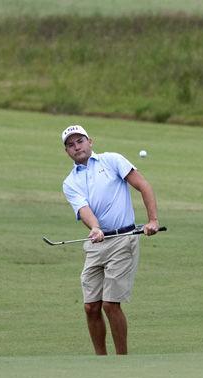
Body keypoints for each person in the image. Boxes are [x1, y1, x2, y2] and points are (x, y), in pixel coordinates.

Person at [61, 124, 160, 355]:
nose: (77, 147)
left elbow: (143, 186)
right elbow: (84, 209)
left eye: (80, 141)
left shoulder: (112, 160)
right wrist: (94, 227)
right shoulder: (70, 183)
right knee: (90, 306)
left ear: (90, 142)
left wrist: (152, 220)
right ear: (66, 151)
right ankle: (101, 359)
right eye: (71, 144)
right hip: (97, 244)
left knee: (110, 304)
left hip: (124, 239)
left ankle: (121, 358)